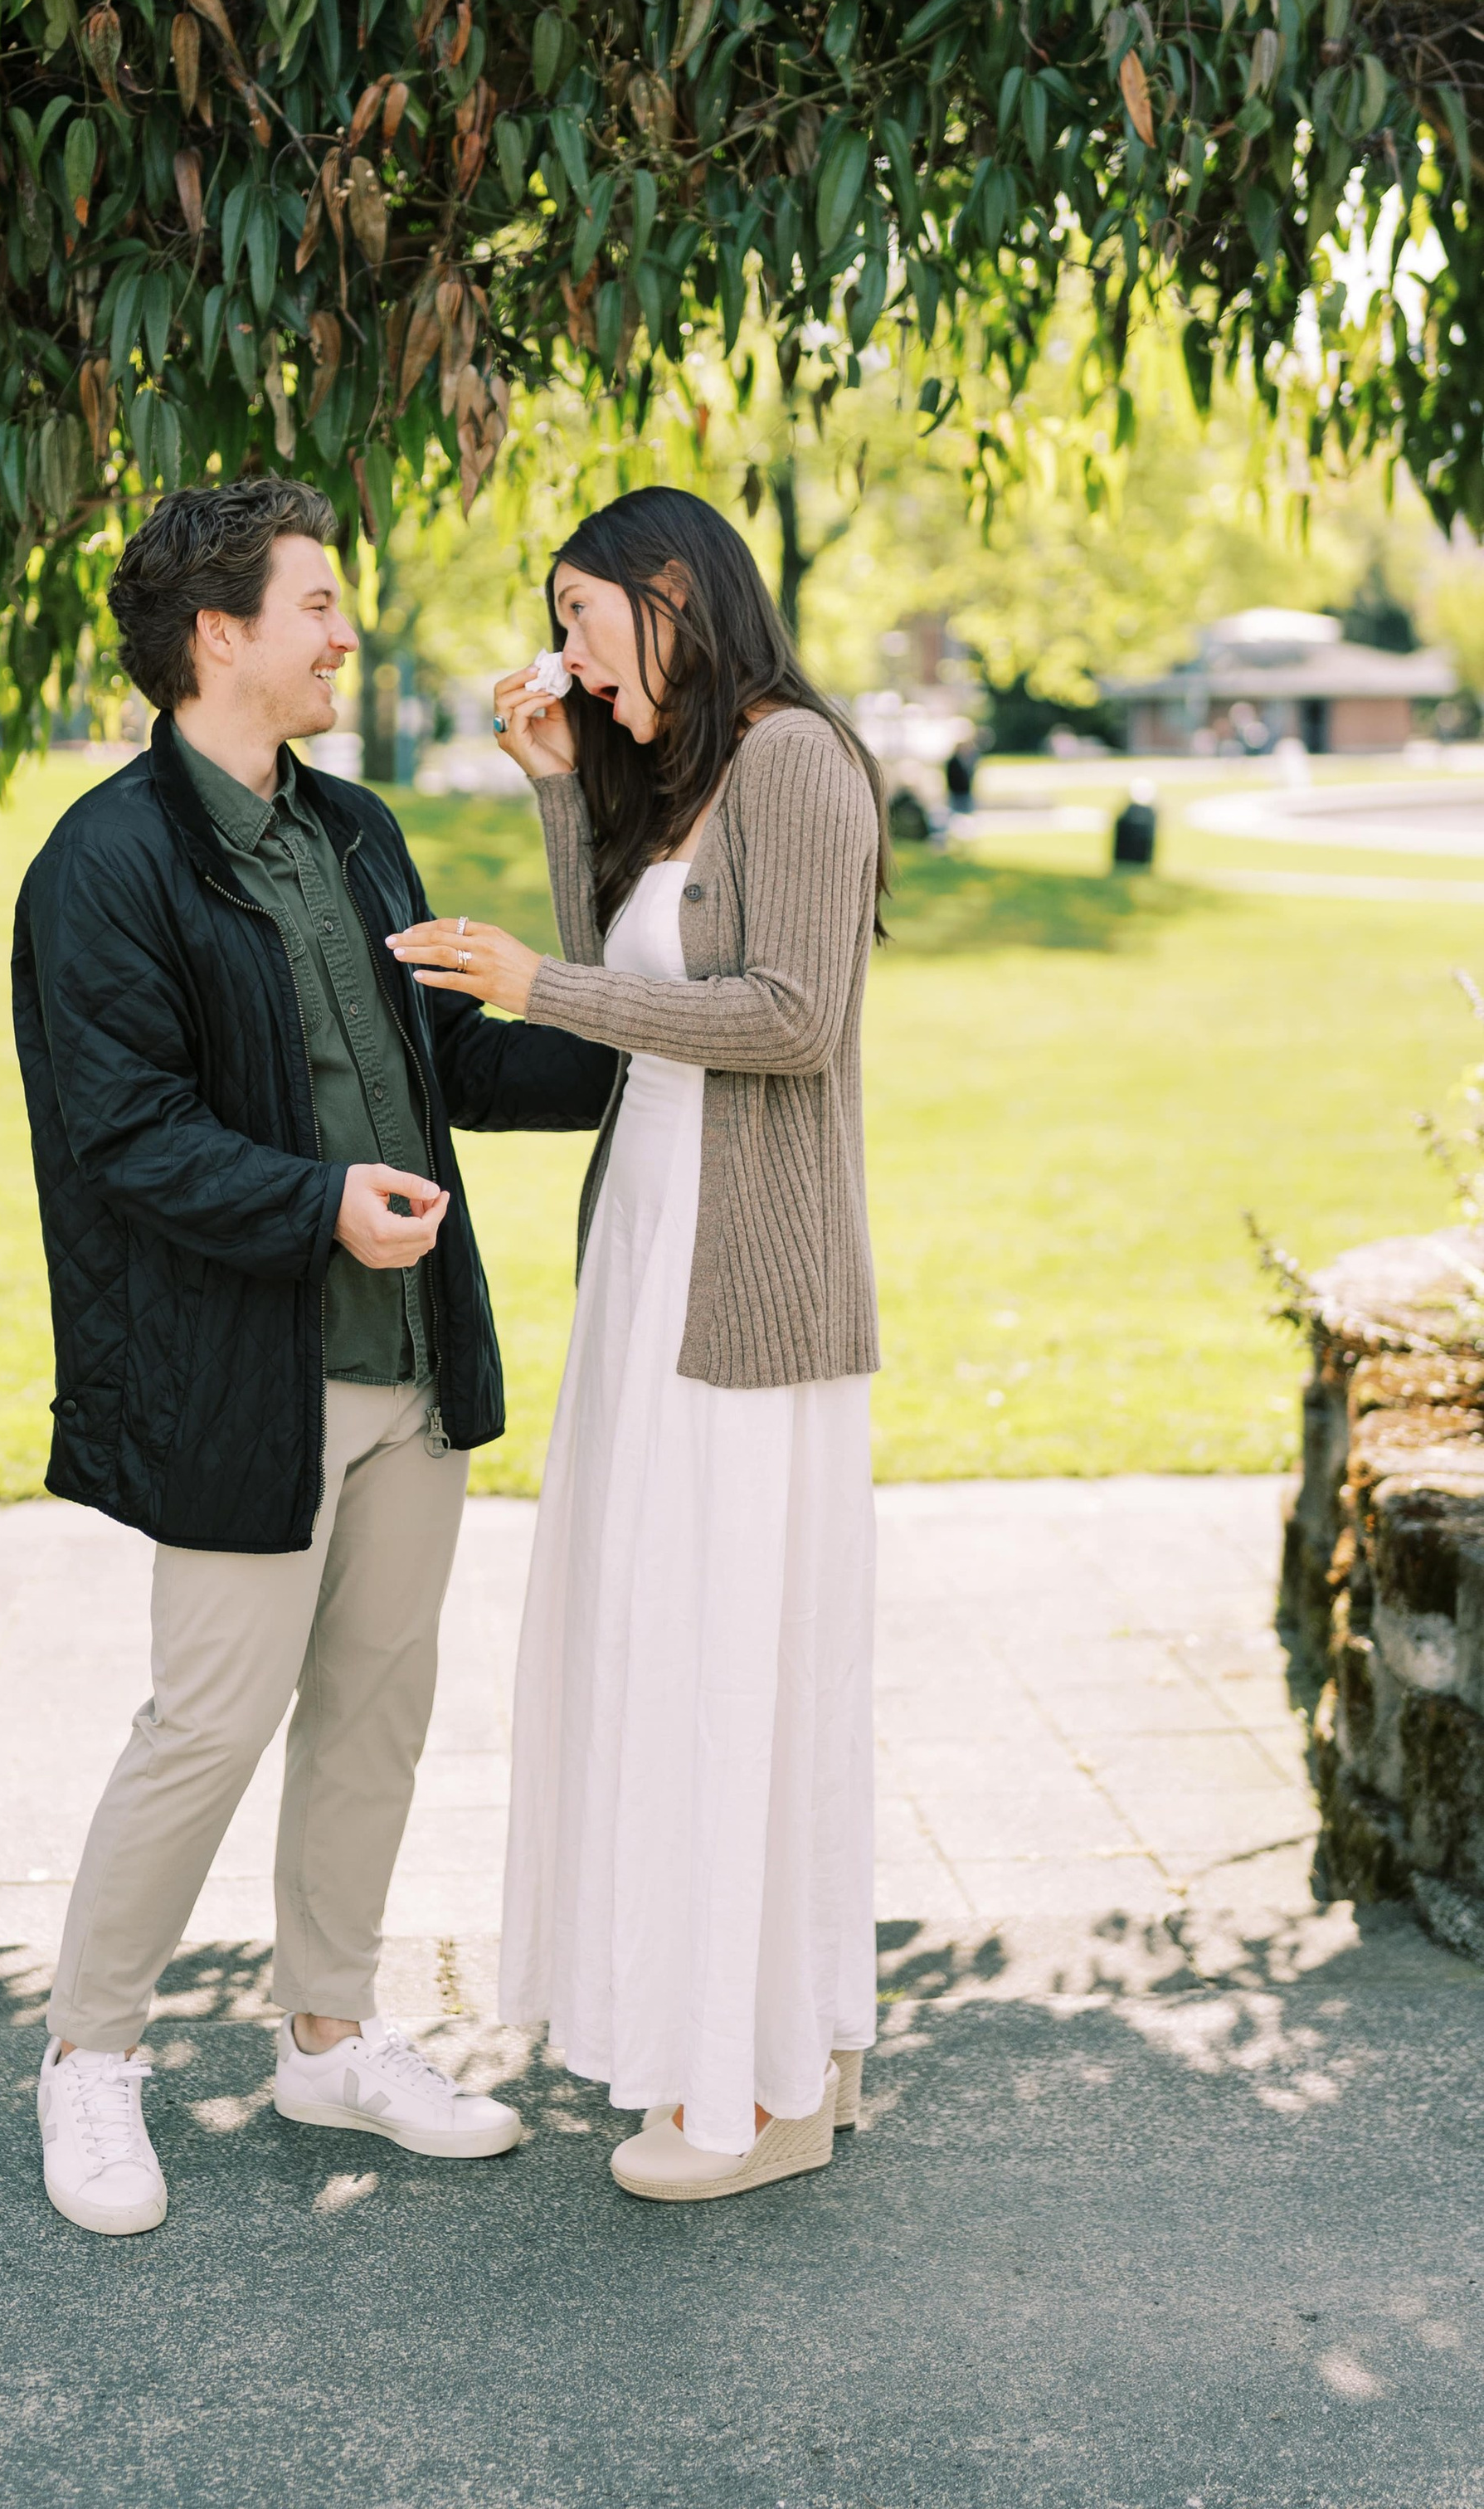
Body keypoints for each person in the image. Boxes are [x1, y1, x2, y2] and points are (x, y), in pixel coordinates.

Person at [11, 477, 618, 2235]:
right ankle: (89, 2057)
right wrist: (316, 1205)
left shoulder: (352, 831)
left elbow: (440, 1058)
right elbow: (120, 1133)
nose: (346, 633)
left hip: (408, 1365)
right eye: (318, 605)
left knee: (374, 1710)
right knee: (204, 1723)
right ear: (220, 635)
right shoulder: (106, 864)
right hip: (244, 1377)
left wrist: (627, 1031)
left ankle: (330, 2035)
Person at [387, 485, 888, 2205]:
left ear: (667, 593)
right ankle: (746, 2060)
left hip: (747, 1292)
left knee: (729, 1662)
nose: (569, 660)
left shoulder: (799, 763)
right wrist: (552, 792)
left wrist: (533, 986)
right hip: (653, 1257)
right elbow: (635, 980)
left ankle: (758, 2086)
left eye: (579, 620)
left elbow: (791, 1018)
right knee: (665, 1644)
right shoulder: (690, 774)